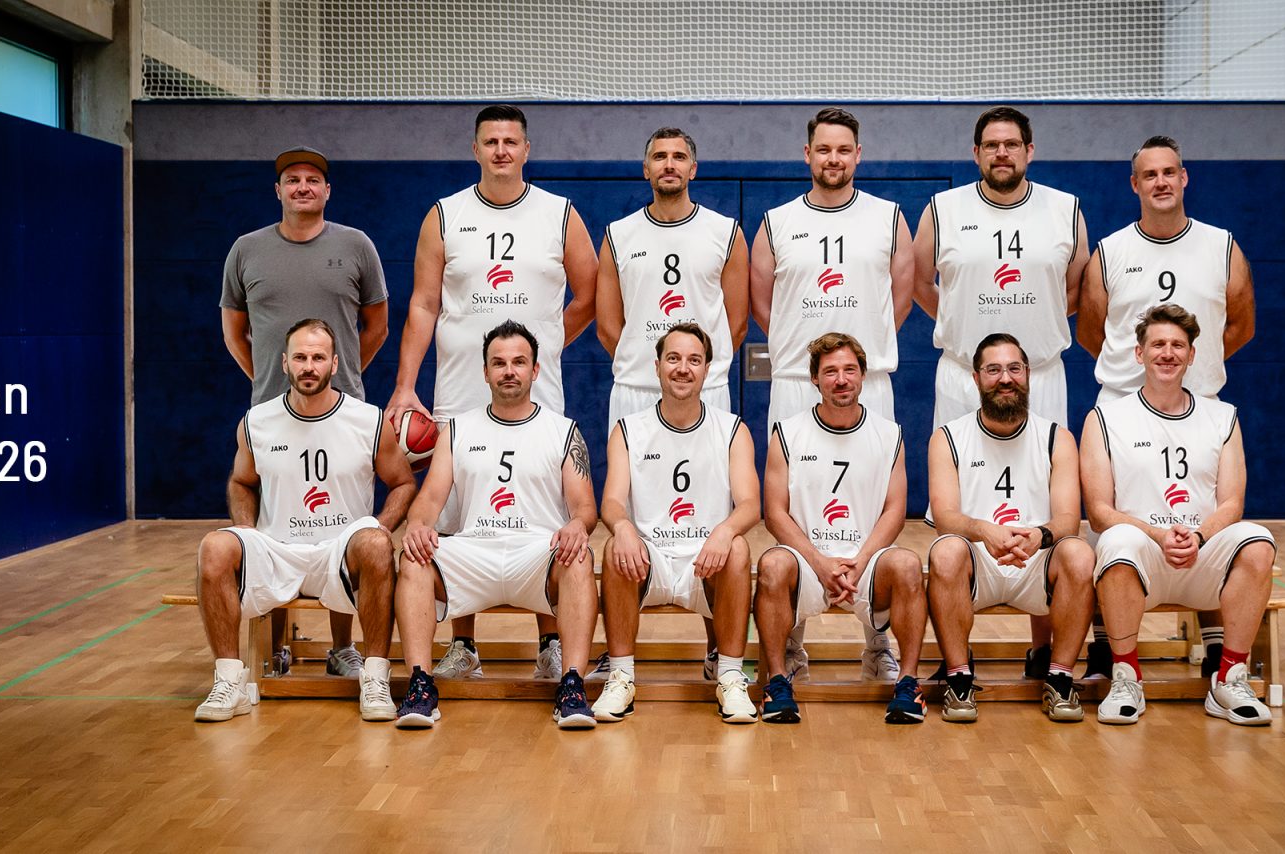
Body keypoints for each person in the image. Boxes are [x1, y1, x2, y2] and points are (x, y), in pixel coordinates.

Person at [385, 105, 598, 679]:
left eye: (510, 141)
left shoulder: (559, 213)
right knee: (457, 515)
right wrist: (405, 385)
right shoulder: (445, 214)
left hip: (534, 390)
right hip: (460, 386)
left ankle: (551, 643)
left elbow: (589, 294)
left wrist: (541, 345)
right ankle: (464, 644)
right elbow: (423, 303)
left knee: (545, 511)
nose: (501, 150)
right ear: (475, 149)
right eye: (490, 141)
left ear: (527, 149)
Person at [912, 106, 1089, 675]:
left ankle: (1045, 650)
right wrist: (968, 335)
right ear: (976, 153)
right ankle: (955, 658)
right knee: (958, 516)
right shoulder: (942, 209)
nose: (1002, 153)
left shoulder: (1065, 209)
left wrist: (1021, 343)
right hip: (964, 372)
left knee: (1045, 512)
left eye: (1012, 144)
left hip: (1039, 371)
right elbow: (919, 282)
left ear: (1030, 151)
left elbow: (1074, 288)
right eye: (991, 145)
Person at [1078, 134, 1258, 680]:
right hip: (1123, 404)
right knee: (1113, 528)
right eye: (1149, 174)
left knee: (1203, 519)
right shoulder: (1110, 251)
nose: (1161, 181)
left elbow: (1241, 323)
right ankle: (1108, 647)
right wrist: (1140, 375)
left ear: (1185, 178)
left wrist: (1188, 372)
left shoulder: (1222, 246)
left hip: (1198, 405)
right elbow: (1091, 330)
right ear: (1135, 184)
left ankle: (1217, 643)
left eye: (1169, 172)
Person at [750, 108, 913, 675]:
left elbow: (900, 297)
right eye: (823, 149)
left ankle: (878, 646)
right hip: (796, 383)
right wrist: (808, 359)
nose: (833, 158)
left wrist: (856, 357)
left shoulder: (889, 217)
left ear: (858, 155)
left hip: (868, 381)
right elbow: (763, 304)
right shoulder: (776, 222)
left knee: (871, 509)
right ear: (807, 154)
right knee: (795, 512)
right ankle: (791, 646)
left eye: (844, 149)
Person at [193, 320, 415, 723]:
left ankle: (375, 677)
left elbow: (402, 482)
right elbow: (241, 482)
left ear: (335, 363)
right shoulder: (256, 422)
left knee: (376, 544)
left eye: (317, 357)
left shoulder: (369, 420)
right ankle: (229, 681)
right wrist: (245, 526)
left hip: (340, 551)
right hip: (277, 548)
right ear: (284, 363)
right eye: (299, 357)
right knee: (215, 546)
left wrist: (381, 526)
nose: (308, 366)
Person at [219, 146, 388, 675]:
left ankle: (343, 648)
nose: (302, 187)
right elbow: (234, 332)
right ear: (278, 191)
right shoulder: (246, 250)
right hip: (274, 411)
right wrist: (270, 380)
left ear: (327, 191)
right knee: (277, 527)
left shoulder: (356, 245)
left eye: (312, 179)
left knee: (341, 524)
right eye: (292, 179)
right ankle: (276, 647)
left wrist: (338, 375)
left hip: (341, 409)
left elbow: (377, 325)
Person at [391, 321, 602, 730]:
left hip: (536, 554)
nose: (509, 371)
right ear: (485, 372)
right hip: (475, 550)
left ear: (535, 370)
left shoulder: (563, 431)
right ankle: (420, 684)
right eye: (499, 363)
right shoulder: (457, 429)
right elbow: (429, 500)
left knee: (580, 556)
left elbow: (585, 508)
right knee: (413, 558)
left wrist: (578, 525)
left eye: (519, 362)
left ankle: (572, 685)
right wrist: (417, 525)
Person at [1080, 304, 1277, 727]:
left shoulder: (1222, 416)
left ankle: (1229, 678)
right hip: (1142, 558)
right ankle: (1126, 677)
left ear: (1191, 355)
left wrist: (1199, 536)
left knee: (1258, 541)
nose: (1167, 353)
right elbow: (1098, 512)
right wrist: (1158, 535)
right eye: (1158, 345)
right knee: (1115, 540)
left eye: (1177, 345)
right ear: (1139, 353)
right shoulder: (1105, 418)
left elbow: (1232, 503)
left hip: (1201, 556)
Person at [753, 333, 927, 725]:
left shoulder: (889, 434)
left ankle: (907, 683)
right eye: (830, 371)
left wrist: (860, 561)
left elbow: (895, 510)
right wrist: (819, 562)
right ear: (814, 379)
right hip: (808, 563)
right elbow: (775, 513)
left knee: (907, 564)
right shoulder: (788, 433)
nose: (841, 379)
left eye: (850, 370)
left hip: (865, 564)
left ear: (863, 375)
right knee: (772, 564)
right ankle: (778, 679)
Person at [592, 323, 761, 724]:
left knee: (738, 548)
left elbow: (750, 504)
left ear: (707, 370)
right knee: (616, 546)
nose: (683, 368)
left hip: (706, 562)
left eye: (693, 360)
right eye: (673, 358)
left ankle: (730, 677)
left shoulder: (732, 429)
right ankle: (621, 677)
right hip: (648, 562)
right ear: (656, 367)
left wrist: (724, 530)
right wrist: (623, 527)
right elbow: (611, 501)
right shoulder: (629, 429)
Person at [925, 333, 1094, 723]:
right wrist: (985, 531)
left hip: (1035, 561)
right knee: (945, 550)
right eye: (994, 370)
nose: (1005, 378)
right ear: (976, 378)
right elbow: (944, 517)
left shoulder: (1057, 438)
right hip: (978, 562)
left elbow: (1069, 519)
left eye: (1014, 368)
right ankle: (959, 679)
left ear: (1028, 374)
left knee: (1079, 553)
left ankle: (1060, 678)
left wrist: (1038, 536)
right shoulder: (948, 438)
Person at [597, 127, 748, 425]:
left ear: (693, 169)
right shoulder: (618, 235)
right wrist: (645, 362)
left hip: (706, 389)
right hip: (637, 387)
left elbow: (738, 323)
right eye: (659, 157)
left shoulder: (725, 232)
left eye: (679, 157)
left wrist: (695, 368)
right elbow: (607, 327)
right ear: (646, 170)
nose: (669, 165)